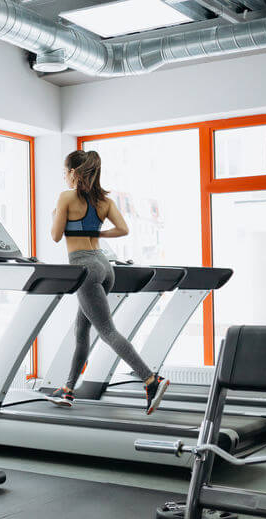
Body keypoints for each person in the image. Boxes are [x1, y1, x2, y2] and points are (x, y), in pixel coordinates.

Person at [48, 150, 169, 415]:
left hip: (83, 266)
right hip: (103, 265)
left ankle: (151, 380)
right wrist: (97, 231)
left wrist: (57, 213)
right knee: (82, 332)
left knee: (107, 332)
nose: (64, 177)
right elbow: (124, 229)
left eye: (65, 172)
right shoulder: (104, 201)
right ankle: (68, 389)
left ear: (74, 173)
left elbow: (56, 236)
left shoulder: (66, 197)